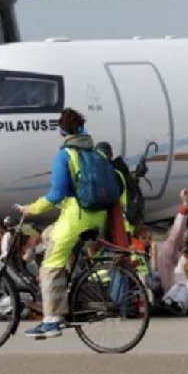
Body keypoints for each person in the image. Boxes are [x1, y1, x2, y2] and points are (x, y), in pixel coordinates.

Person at [18, 107, 115, 339]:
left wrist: (31, 208)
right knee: (48, 235)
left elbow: (56, 195)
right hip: (97, 217)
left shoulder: (65, 155)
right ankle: (68, 283)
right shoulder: (95, 153)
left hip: (76, 219)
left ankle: (51, 321)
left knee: (49, 265)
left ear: (62, 131)